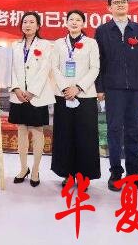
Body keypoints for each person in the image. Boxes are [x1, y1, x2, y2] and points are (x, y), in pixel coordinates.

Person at [95, 0, 138, 193]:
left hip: (136, 89)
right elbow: (98, 61)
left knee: (134, 131)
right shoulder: (103, 31)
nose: (120, 5)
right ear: (109, 8)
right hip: (113, 89)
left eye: (123, 2)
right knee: (114, 131)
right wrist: (100, 88)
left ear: (128, 6)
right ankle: (115, 173)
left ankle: (134, 175)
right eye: (116, 2)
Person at [51, 10, 100, 186]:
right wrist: (66, 88)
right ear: (66, 23)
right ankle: (68, 174)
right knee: (65, 135)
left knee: (85, 137)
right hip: (63, 95)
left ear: (83, 24)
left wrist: (78, 87)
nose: (74, 22)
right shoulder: (58, 43)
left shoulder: (91, 43)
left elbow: (95, 68)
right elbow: (54, 67)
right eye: (71, 19)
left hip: (85, 95)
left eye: (78, 20)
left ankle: (84, 176)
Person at [9, 12, 55, 187]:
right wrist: (16, 88)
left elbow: (45, 69)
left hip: (37, 96)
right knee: (21, 130)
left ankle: (35, 170)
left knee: (37, 132)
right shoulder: (14, 45)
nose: (27, 25)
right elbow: (10, 69)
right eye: (25, 22)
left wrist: (32, 91)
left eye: (31, 22)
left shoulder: (45, 45)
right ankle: (23, 168)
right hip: (18, 95)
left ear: (38, 26)